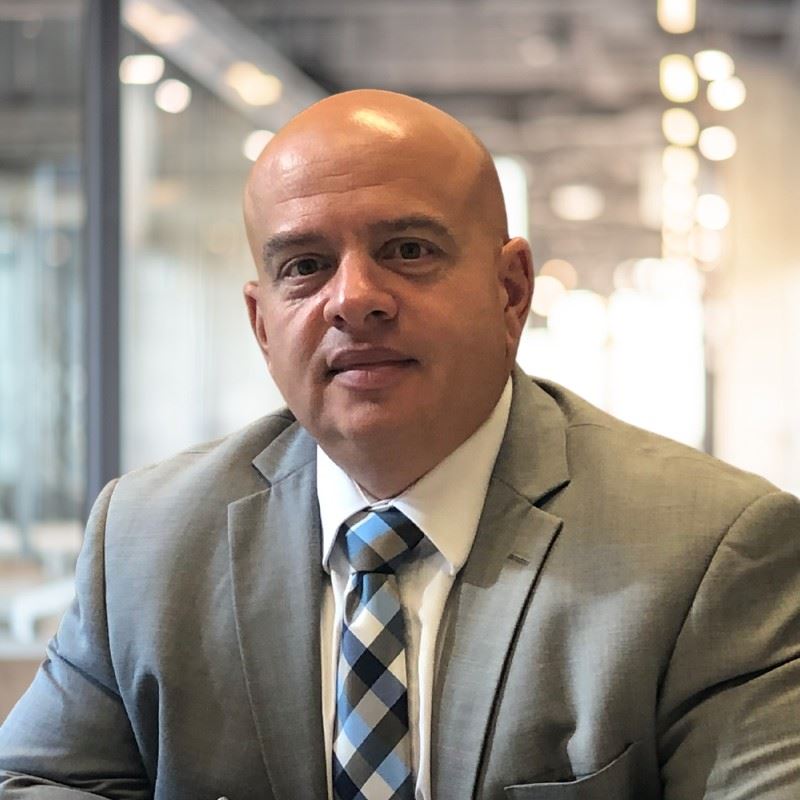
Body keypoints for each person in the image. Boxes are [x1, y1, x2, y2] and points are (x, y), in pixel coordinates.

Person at [0, 89, 798, 800]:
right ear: (260, 324)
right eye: (305, 266)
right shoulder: (146, 538)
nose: (354, 299)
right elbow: (38, 780)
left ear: (510, 291)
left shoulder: (713, 552)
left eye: (408, 250)